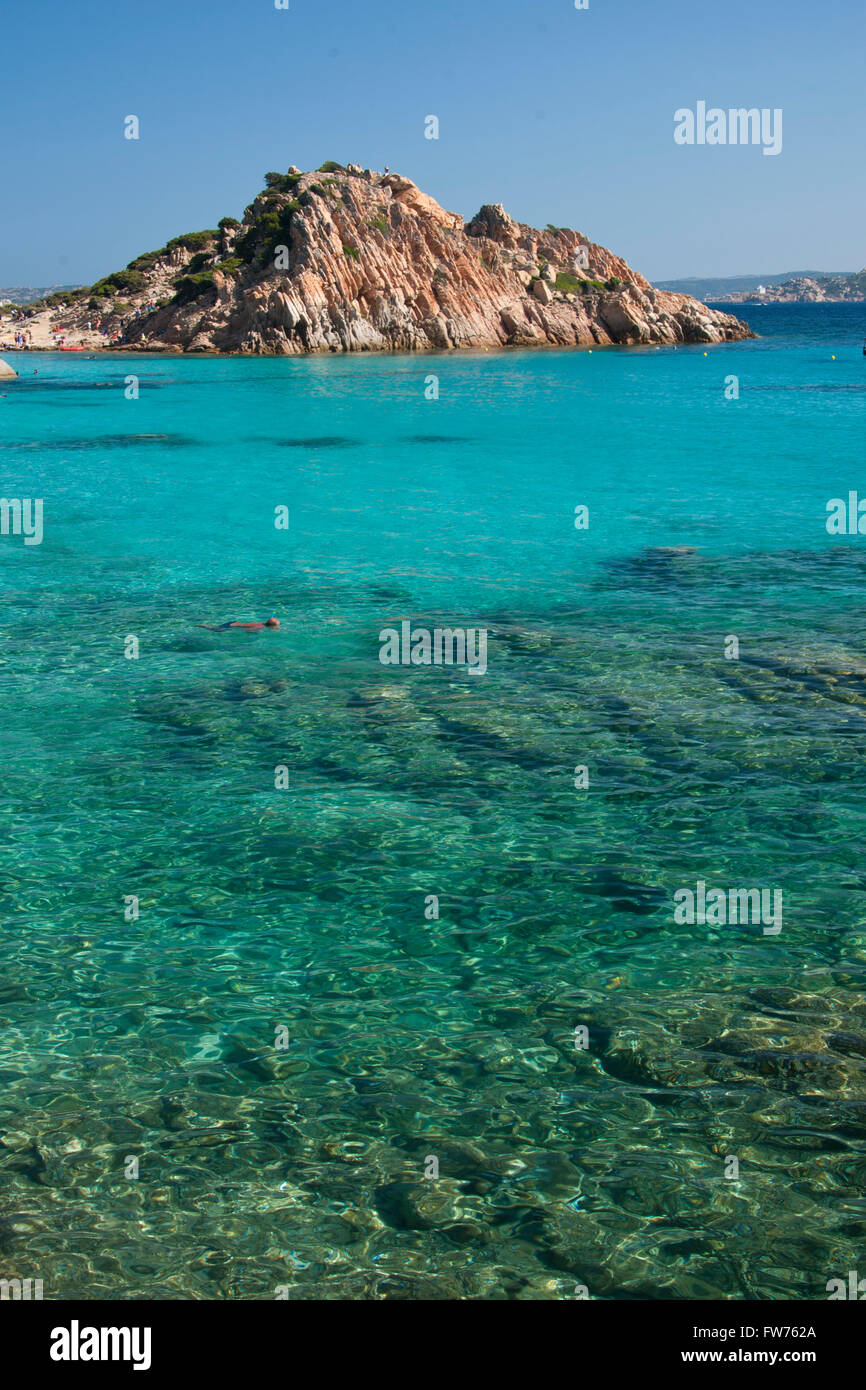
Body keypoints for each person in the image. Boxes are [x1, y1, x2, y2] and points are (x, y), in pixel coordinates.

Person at [200, 617, 280, 631]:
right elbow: (247, 630)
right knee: (212, 629)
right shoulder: (259, 627)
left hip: (234, 623)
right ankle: (201, 625)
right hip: (230, 626)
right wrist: (256, 632)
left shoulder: (262, 623)